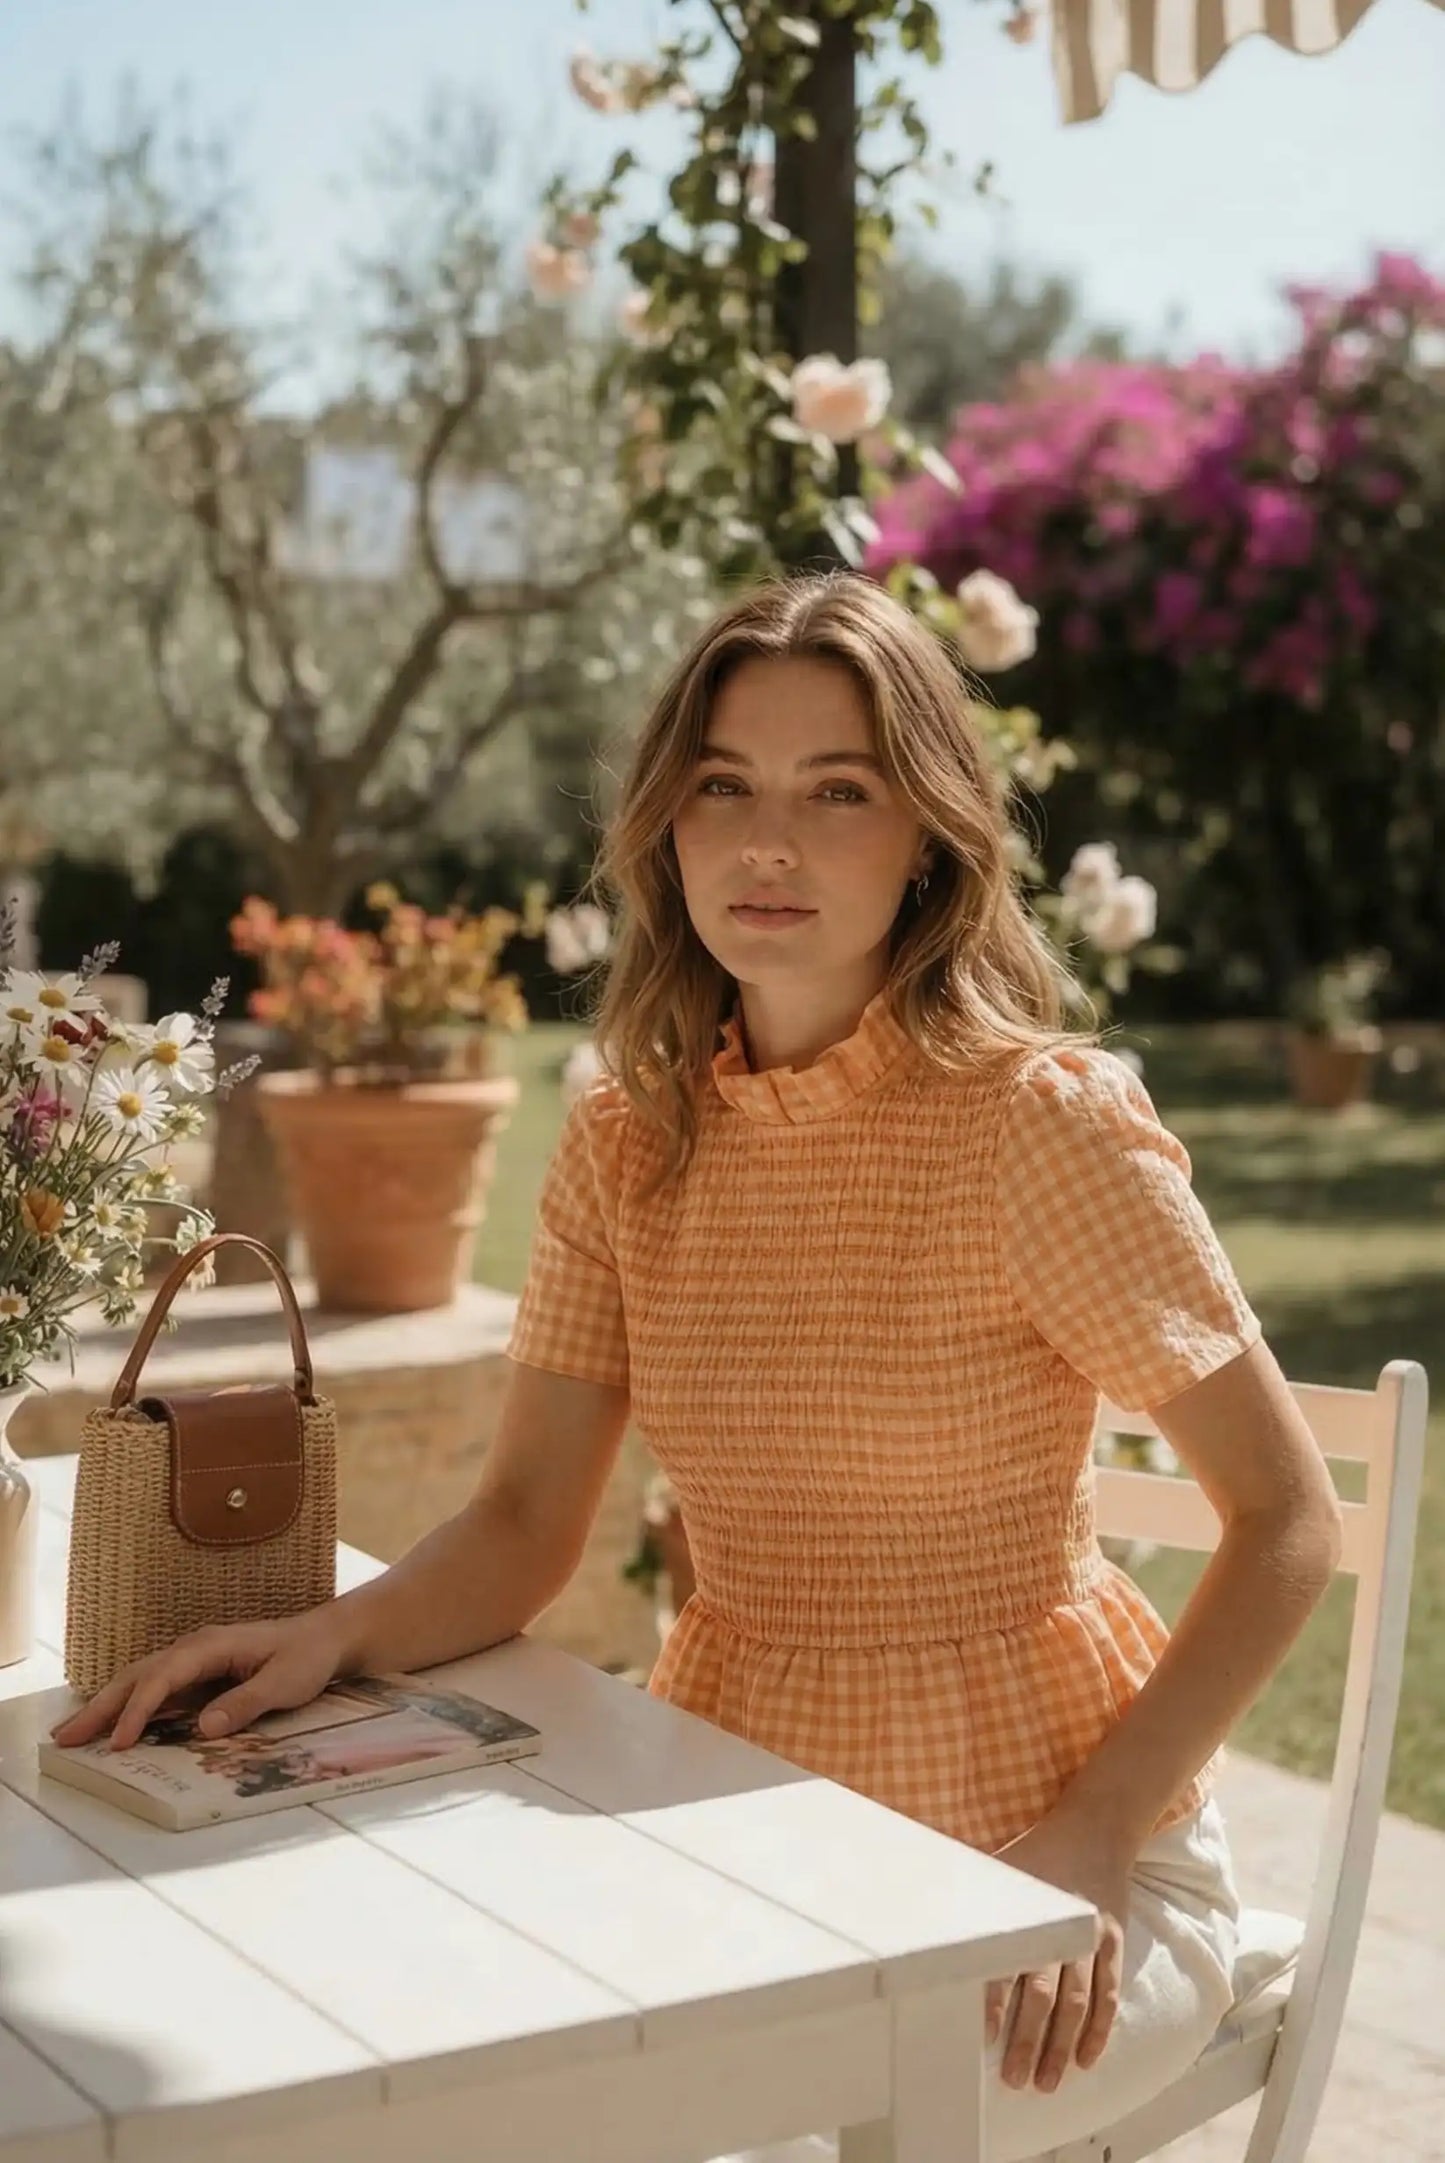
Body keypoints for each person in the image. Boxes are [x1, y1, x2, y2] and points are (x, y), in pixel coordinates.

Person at [53, 574, 1343, 2162]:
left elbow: (1287, 1522)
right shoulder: (626, 1140)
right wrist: (323, 1639)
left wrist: (1086, 1833)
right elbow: (525, 1522)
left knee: (779, 2117)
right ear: (666, 823)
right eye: (722, 787)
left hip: (1062, 1861)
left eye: (837, 792)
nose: (766, 844)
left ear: (929, 833)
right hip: (750, 1827)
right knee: (462, 2053)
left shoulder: (1040, 1124)